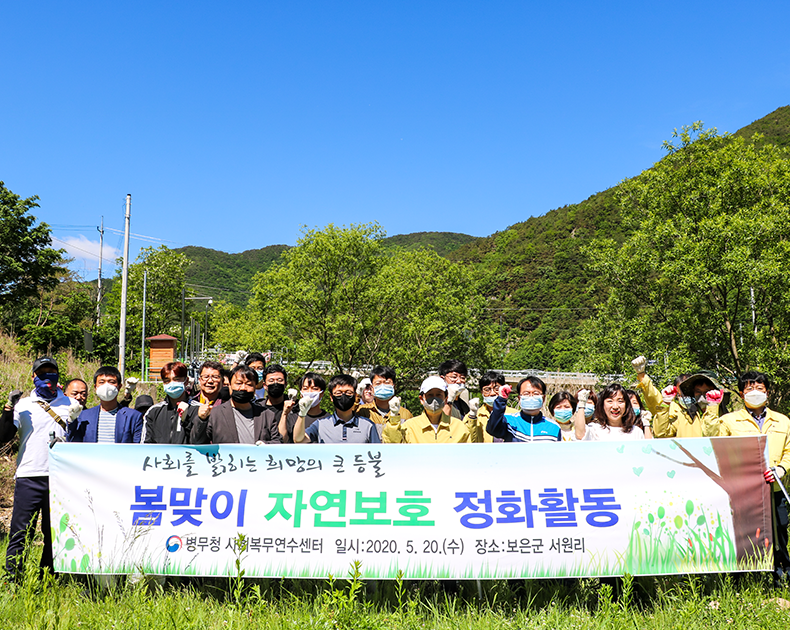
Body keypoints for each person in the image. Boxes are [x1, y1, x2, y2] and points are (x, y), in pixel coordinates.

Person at [702, 371, 790, 584]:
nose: (755, 392)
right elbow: (711, 436)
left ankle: (781, 577)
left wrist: (782, 469)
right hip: (744, 491)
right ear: (741, 394)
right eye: (750, 389)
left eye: (760, 388)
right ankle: (741, 580)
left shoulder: (782, 420)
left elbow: (788, 450)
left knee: (779, 532)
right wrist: (712, 407)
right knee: (744, 534)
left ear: (767, 392)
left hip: (774, 488)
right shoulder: (729, 420)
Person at [1, 357, 80, 579]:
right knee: (20, 531)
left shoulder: (69, 404)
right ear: (33, 376)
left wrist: (75, 419)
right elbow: (4, 436)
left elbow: (78, 440)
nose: (47, 377)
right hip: (29, 475)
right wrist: (8, 408)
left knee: (53, 532)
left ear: (58, 376)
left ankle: (48, 577)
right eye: (42, 373)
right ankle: (12, 578)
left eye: (51, 372)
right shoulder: (23, 405)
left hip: (60, 477)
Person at [631, 356, 722, 438]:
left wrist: (713, 406)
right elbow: (655, 399)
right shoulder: (679, 412)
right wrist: (642, 376)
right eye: (680, 394)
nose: (702, 396)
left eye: (706, 392)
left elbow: (713, 437)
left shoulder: (721, 412)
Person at [192, 365, 282, 444]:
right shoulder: (215, 414)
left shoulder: (266, 415)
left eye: (249, 384)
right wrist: (201, 420)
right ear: (229, 385)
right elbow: (198, 442)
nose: (243, 388)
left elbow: (277, 442)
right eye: (238, 383)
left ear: (255, 388)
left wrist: (265, 445)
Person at [293, 374, 380, 444]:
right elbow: (299, 440)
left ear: (355, 395)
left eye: (348, 392)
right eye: (338, 393)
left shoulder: (368, 425)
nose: (343, 396)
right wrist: (302, 414)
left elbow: (378, 454)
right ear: (331, 397)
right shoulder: (320, 424)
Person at [383, 375, 471, 443]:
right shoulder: (409, 427)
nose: (435, 400)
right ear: (421, 399)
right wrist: (394, 417)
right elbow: (393, 446)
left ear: (446, 399)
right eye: (430, 395)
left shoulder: (459, 427)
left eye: (439, 395)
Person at [67, 366, 143, 443]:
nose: (106, 386)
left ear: (119, 387)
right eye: (101, 382)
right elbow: (73, 443)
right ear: (95, 387)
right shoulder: (84, 415)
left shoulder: (134, 417)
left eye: (111, 382)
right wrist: (71, 421)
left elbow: (137, 448)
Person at [141, 362, 201, 444]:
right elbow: (145, 445)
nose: (171, 384)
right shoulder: (153, 412)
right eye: (167, 381)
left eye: (176, 379)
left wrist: (186, 421)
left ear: (186, 381)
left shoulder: (198, 410)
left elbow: (201, 441)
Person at [486, 377, 561, 443]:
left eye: (536, 393)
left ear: (543, 398)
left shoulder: (554, 427)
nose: (531, 396)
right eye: (526, 393)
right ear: (519, 398)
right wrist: (501, 400)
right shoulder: (509, 421)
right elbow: (492, 429)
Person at [575, 384, 645, 441]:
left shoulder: (636, 432)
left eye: (620, 401)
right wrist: (581, 404)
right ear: (602, 405)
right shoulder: (594, 429)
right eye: (610, 401)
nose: (615, 406)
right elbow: (580, 435)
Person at [464, 371, 515, 443]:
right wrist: (472, 416)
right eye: (487, 390)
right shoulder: (474, 416)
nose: (492, 393)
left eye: (497, 389)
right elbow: (469, 441)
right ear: (481, 392)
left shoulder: (514, 414)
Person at [357, 366, 413, 430]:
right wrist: (356, 395)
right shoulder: (362, 411)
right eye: (378, 383)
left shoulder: (405, 414)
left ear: (394, 386)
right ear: (372, 388)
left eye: (387, 383)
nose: (382, 386)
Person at [280, 372, 330, 442]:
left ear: (322, 393)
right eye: (305, 388)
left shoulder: (328, 419)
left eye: (314, 389)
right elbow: (281, 439)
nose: (309, 392)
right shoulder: (293, 417)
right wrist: (284, 414)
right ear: (301, 394)